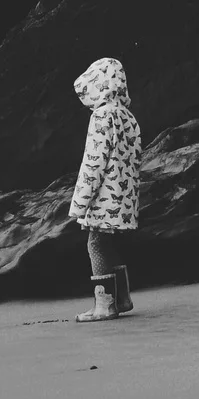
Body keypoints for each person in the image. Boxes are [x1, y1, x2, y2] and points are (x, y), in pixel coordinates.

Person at [68, 57, 140, 321]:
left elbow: (93, 164)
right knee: (108, 244)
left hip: (102, 196)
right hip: (123, 197)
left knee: (95, 244)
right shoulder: (128, 118)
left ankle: (105, 304)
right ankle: (122, 299)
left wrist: (79, 203)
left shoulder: (102, 116)